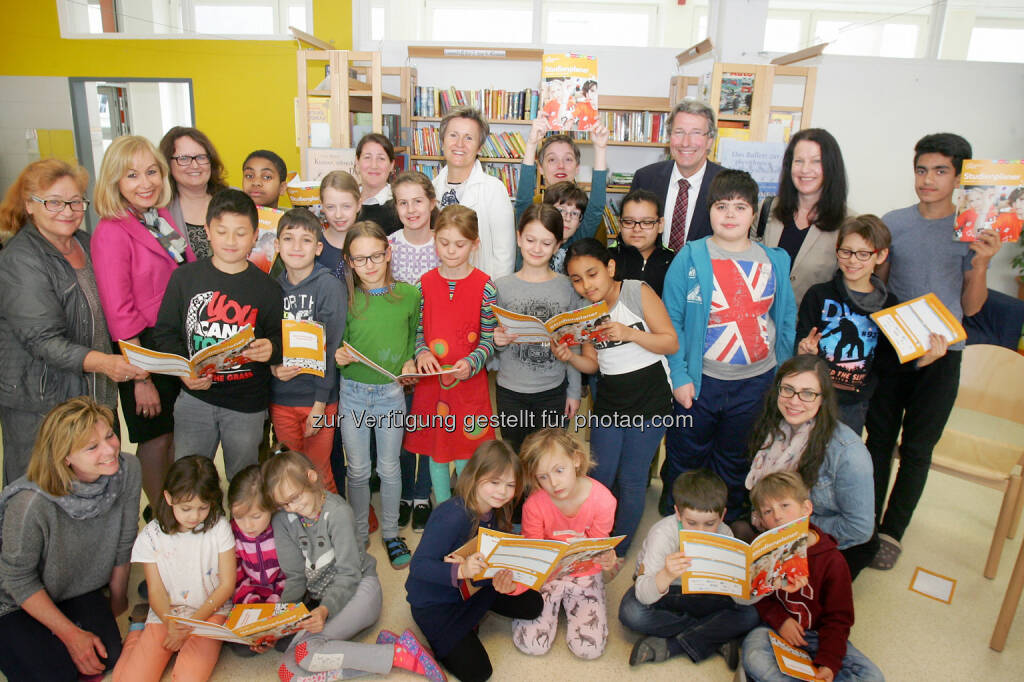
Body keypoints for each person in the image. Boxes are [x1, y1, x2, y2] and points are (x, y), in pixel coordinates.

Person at [865, 133, 1001, 570]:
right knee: (880, 441)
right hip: (893, 348)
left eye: (940, 171)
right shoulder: (895, 221)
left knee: (918, 447)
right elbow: (879, 286)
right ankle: (865, 525)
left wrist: (980, 263)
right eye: (922, 170)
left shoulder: (970, 230)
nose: (928, 179)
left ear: (959, 177)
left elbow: (974, 306)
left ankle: (892, 532)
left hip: (944, 353)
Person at [0, 159, 146, 484]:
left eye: (76, 200)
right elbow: (42, 340)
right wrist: (106, 364)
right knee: (44, 492)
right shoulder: (20, 259)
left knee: (98, 483)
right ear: (30, 205)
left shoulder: (86, 242)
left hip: (95, 392)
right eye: (53, 202)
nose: (67, 210)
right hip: (44, 401)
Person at [661, 170, 796, 520]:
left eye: (740, 207)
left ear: (755, 213)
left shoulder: (776, 261)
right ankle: (679, 520)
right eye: (722, 206)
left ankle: (726, 522)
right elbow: (670, 320)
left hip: (756, 382)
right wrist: (679, 374)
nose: (731, 215)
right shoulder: (689, 257)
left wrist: (782, 375)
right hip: (700, 379)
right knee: (686, 454)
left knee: (737, 457)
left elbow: (784, 322)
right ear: (710, 211)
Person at [264, 451, 443, 682]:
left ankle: (400, 655)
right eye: (284, 504)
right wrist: (277, 622)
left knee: (305, 652)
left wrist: (325, 609)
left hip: (360, 590)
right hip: (325, 600)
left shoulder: (337, 512)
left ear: (311, 477)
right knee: (288, 671)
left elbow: (349, 575)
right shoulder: (283, 520)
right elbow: (296, 577)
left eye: (295, 497)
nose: (293, 507)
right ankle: (390, 653)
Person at [0, 397, 141, 681]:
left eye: (110, 435)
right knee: (55, 674)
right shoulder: (29, 503)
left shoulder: (128, 469)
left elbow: (125, 539)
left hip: (75, 587)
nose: (110, 449)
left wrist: (117, 599)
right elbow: (16, 580)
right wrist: (72, 635)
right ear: (65, 457)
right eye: (92, 447)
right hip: (15, 600)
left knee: (108, 655)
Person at [554, 238, 679, 556]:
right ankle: (591, 538)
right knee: (600, 473)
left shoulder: (637, 291)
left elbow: (670, 343)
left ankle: (616, 550)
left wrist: (629, 333)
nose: (586, 285)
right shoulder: (584, 311)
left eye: (592, 274)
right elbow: (592, 363)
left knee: (632, 478)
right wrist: (568, 357)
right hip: (610, 398)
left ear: (609, 267)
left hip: (651, 398)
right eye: (577, 279)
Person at [92, 134, 196, 514]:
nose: (146, 182)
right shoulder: (111, 232)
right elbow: (119, 310)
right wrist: (141, 379)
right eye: (132, 175)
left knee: (172, 436)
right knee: (154, 439)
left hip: (172, 341)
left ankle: (172, 508)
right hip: (143, 347)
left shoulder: (159, 218)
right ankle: (161, 517)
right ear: (114, 181)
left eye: (151, 171)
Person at [152, 189, 283, 481]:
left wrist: (271, 349)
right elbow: (165, 334)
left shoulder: (268, 288)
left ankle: (241, 527)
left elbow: (280, 338)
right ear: (208, 231)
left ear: (254, 236)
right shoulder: (185, 278)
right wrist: (183, 371)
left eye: (240, 233)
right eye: (222, 231)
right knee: (190, 477)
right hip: (195, 398)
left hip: (247, 403)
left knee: (244, 480)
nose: (231, 241)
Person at [406, 441, 544, 682]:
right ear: (475, 475)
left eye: (510, 485)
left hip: (473, 588)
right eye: (494, 482)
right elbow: (418, 567)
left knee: (533, 604)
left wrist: (507, 576)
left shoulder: (496, 509)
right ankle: (431, 645)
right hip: (435, 603)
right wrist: (460, 570)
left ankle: (471, 621)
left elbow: (492, 555)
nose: (503, 491)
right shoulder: (452, 515)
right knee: (479, 672)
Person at [741, 472, 884, 682]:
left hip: (819, 636)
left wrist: (829, 661)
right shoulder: (765, 550)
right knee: (754, 655)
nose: (778, 516)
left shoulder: (833, 561)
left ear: (806, 508)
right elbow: (761, 598)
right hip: (776, 631)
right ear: (762, 521)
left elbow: (839, 618)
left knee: (872, 677)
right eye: (768, 511)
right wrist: (781, 621)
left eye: (785, 505)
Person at [334, 221, 420, 568]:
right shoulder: (345, 297)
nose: (369, 265)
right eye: (360, 259)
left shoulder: (410, 295)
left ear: (388, 253)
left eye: (376, 256)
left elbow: (416, 337)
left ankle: (390, 534)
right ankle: (357, 534)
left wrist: (413, 360)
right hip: (352, 392)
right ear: (349, 262)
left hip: (390, 394)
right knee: (357, 470)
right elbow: (335, 344)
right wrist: (338, 356)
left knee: (388, 468)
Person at [744, 355, 876, 578]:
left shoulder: (849, 454)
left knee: (772, 601)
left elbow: (858, 529)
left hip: (834, 542)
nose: (794, 401)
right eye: (787, 389)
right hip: (780, 527)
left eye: (807, 393)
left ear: (823, 398)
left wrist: (787, 523)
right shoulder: (774, 425)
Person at [618, 469, 759, 671]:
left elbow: (738, 598)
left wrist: (756, 585)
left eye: (710, 524)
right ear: (677, 513)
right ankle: (713, 636)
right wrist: (665, 574)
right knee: (632, 612)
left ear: (722, 516)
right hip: (668, 594)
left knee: (750, 614)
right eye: (691, 523)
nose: (700, 531)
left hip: (705, 594)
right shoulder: (663, 534)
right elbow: (643, 594)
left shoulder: (725, 533)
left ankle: (671, 646)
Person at [112, 455, 236, 682]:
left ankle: (150, 632)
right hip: (167, 613)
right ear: (168, 498)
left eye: (203, 507)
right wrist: (171, 623)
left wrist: (191, 625)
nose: (195, 516)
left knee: (188, 678)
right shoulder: (151, 535)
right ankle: (137, 631)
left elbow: (227, 584)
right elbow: (156, 591)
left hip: (209, 613)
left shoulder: (219, 527)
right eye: (186, 508)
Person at [404, 205, 497, 503]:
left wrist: (472, 361)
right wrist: (422, 354)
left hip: (469, 386)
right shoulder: (423, 284)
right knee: (438, 451)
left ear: (475, 244)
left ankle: (468, 509)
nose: (451, 251)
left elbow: (489, 340)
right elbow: (418, 332)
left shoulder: (486, 287)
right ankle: (443, 509)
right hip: (433, 387)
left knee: (468, 453)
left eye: (460, 244)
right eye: (444, 243)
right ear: (434, 240)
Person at [512, 428, 617, 660]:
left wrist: (606, 556)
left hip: (585, 572)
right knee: (530, 643)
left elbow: (599, 545)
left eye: (559, 470)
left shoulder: (604, 500)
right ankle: (558, 601)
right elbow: (533, 551)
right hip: (548, 573)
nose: (554, 483)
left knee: (589, 649)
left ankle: (569, 601)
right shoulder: (534, 505)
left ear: (576, 460)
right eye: (543, 477)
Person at [796, 215, 900, 435]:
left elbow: (887, 362)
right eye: (846, 252)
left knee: (837, 462)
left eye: (863, 254)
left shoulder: (889, 306)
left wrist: (921, 357)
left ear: (881, 255)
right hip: (810, 397)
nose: (853, 261)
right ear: (837, 251)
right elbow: (802, 339)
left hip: (853, 405)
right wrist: (805, 350)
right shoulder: (818, 294)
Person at [493, 205, 584, 452]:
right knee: (514, 456)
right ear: (519, 237)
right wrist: (496, 341)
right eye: (530, 240)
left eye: (546, 243)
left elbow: (573, 345)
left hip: (553, 391)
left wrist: (574, 391)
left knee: (548, 458)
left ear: (557, 246)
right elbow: (488, 342)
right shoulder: (501, 287)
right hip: (510, 390)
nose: (536, 248)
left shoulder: (568, 288)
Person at [269, 208, 347, 494]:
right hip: (282, 398)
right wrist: (272, 367)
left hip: (319, 399)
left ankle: (331, 531)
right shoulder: (270, 289)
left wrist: (319, 404)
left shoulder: (329, 287)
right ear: (277, 246)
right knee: (292, 470)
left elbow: (332, 349)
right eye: (288, 239)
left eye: (305, 240)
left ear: (318, 248)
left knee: (319, 471)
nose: (296, 247)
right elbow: (266, 340)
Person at [389, 171, 441, 531]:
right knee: (404, 425)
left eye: (418, 201)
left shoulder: (445, 243)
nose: (411, 209)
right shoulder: (388, 245)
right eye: (402, 202)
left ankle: (423, 494)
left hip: (436, 351)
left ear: (432, 203)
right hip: (398, 351)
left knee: (429, 424)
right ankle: (407, 492)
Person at [760, 128, 853, 304]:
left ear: (831, 166)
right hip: (761, 323)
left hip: (811, 328)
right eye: (799, 161)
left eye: (816, 161)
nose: (805, 169)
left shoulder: (848, 224)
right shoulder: (765, 210)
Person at [432, 106, 515, 279]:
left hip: (480, 292)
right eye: (453, 135)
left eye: (468, 138)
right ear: (442, 141)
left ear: (479, 147)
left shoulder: (494, 189)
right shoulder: (431, 189)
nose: (459, 144)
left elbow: (504, 255)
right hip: (438, 287)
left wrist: (491, 297)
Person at [515, 120, 610, 268]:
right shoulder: (533, 211)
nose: (561, 166)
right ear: (540, 167)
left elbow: (596, 208)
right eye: (552, 159)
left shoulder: (580, 224)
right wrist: (531, 143)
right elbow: (522, 200)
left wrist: (600, 148)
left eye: (568, 159)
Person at [629, 99, 723, 249]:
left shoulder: (726, 184)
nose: (685, 143)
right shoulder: (645, 179)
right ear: (669, 137)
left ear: (710, 140)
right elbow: (630, 236)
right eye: (679, 132)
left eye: (696, 133)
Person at [158, 126, 229, 259]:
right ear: (167, 163)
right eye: (184, 159)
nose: (195, 165)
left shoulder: (236, 199)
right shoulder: (158, 214)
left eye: (201, 157)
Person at [228, 465, 283, 606]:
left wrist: (277, 600)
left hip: (283, 598)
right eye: (239, 517)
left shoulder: (282, 530)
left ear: (272, 506)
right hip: (248, 601)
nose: (248, 526)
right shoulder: (232, 535)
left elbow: (291, 573)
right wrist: (250, 602)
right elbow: (235, 576)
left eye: (256, 516)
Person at [607, 188, 675, 297]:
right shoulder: (605, 260)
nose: (637, 229)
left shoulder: (674, 262)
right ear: (619, 224)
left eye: (647, 222)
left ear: (660, 225)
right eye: (629, 222)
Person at [355, 133, 402, 234]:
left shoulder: (401, 204)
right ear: (357, 162)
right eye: (367, 157)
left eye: (381, 158)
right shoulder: (347, 203)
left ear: (391, 165)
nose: (374, 165)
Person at [319, 170, 362, 280]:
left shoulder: (371, 242)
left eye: (346, 206)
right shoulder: (314, 246)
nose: (338, 215)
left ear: (358, 204)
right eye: (330, 207)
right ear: (322, 206)